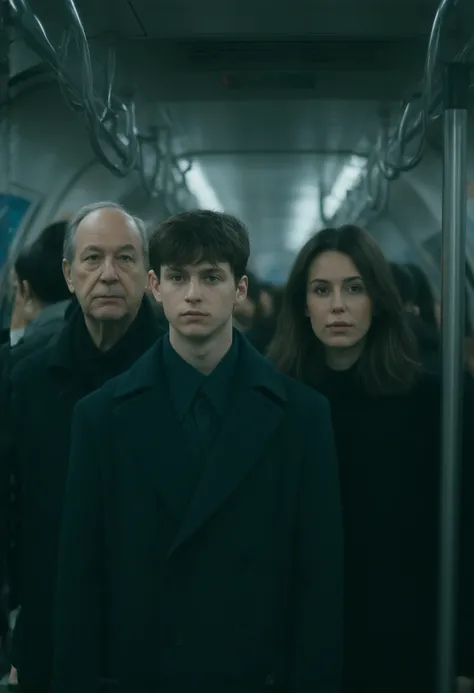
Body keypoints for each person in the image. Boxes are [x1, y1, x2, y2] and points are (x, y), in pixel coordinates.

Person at [53, 209, 343, 693]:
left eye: (211, 277)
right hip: (144, 673)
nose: (193, 294)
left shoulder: (303, 417)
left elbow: (319, 579)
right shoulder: (100, 418)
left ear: (240, 289)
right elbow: (80, 580)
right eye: (178, 277)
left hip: (256, 673)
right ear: (155, 286)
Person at [268, 225, 474, 693]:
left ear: (378, 299)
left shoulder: (436, 401)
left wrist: (465, 651)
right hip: (303, 637)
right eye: (321, 290)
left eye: (354, 288)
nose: (337, 305)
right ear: (303, 304)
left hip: (406, 632)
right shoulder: (276, 404)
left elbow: (467, 527)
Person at [1, 201, 162, 692]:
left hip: (158, 630)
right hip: (52, 621)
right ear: (69, 275)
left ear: (149, 276)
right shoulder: (26, 376)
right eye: (92, 260)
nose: (108, 275)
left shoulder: (181, 372)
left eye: (126, 259)